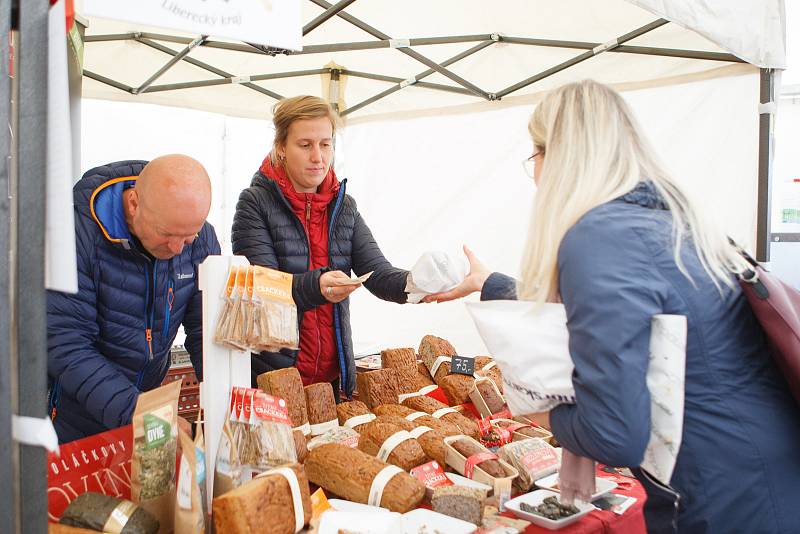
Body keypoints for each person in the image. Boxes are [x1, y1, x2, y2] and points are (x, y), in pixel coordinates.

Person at [427, 81, 800, 533]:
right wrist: (490, 283)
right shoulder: (665, 219)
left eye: (535, 157)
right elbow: (605, 317)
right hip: (757, 467)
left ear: (557, 157)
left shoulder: (598, 236)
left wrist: (536, 408)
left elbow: (616, 433)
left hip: (722, 494)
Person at [231, 95, 409, 398]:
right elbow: (263, 291)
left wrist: (419, 284)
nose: (318, 157)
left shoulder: (344, 206)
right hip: (274, 381)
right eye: (305, 145)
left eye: (326, 144)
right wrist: (318, 286)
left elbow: (377, 274)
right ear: (281, 148)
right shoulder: (255, 203)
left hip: (332, 383)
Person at [48, 155, 221, 443]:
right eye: (166, 234)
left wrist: (223, 397)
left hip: (147, 404)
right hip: (76, 417)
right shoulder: (76, 233)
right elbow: (67, 343)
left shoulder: (199, 236)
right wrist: (137, 409)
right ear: (133, 204)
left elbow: (204, 327)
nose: (178, 248)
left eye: (188, 237)